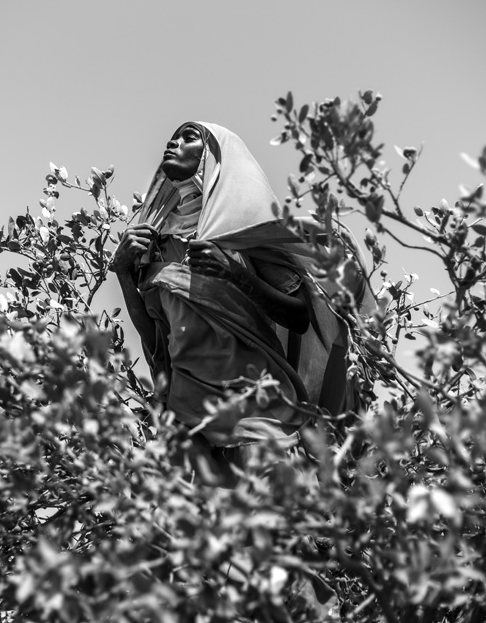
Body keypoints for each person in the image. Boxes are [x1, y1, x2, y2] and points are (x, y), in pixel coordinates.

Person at [111, 121, 369, 470]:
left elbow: (297, 317)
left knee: (278, 516)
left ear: (216, 159)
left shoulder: (242, 234)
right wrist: (124, 271)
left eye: (189, 137)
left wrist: (234, 274)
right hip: (191, 419)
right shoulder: (156, 244)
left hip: (257, 413)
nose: (172, 142)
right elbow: (155, 334)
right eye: (173, 137)